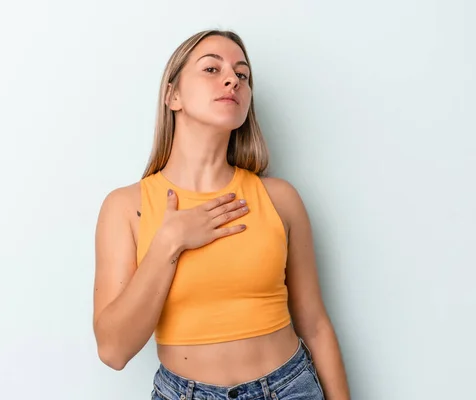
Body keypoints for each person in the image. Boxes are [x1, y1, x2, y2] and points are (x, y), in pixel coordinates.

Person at [92, 29, 350, 400]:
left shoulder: (279, 199)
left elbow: (315, 325)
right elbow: (113, 351)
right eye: (211, 69)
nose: (232, 78)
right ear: (173, 95)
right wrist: (169, 241)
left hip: (290, 388)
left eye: (242, 75)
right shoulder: (125, 207)